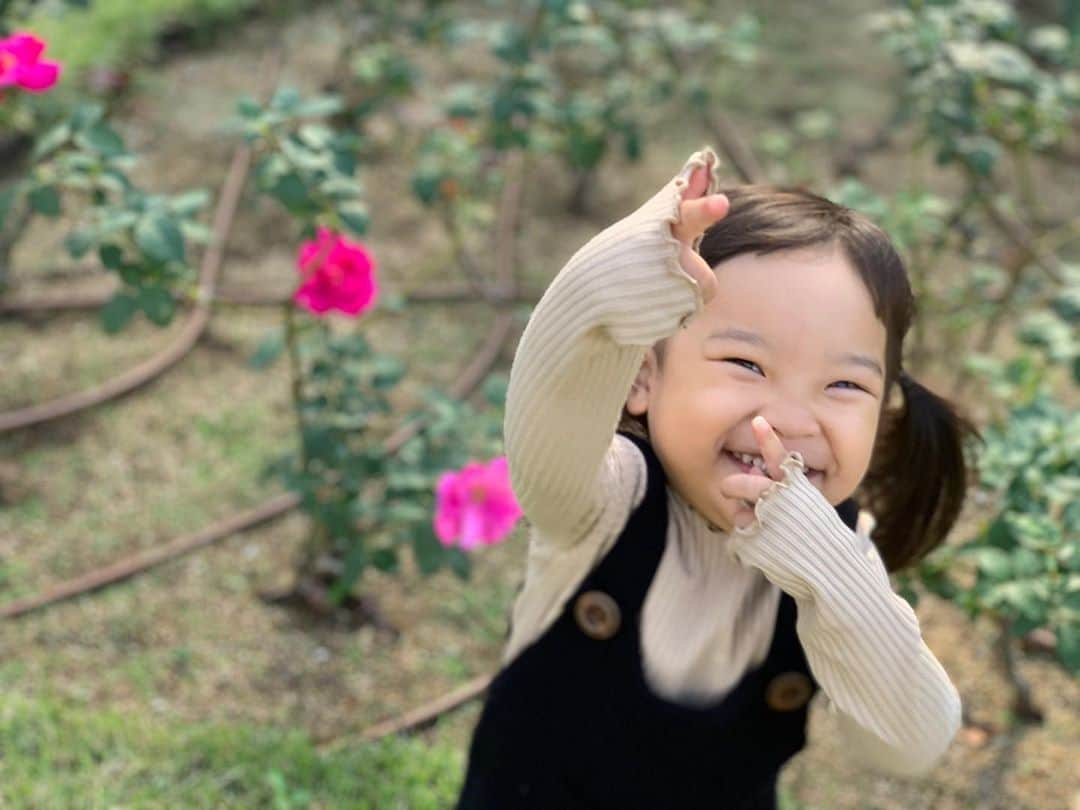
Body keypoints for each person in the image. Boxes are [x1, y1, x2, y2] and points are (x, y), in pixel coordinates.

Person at [455, 147, 980, 809]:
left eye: (844, 384)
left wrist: (834, 582)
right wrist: (610, 285)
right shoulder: (607, 495)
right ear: (644, 375)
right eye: (747, 364)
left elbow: (909, 745)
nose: (791, 420)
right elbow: (546, 416)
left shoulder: (842, 563)